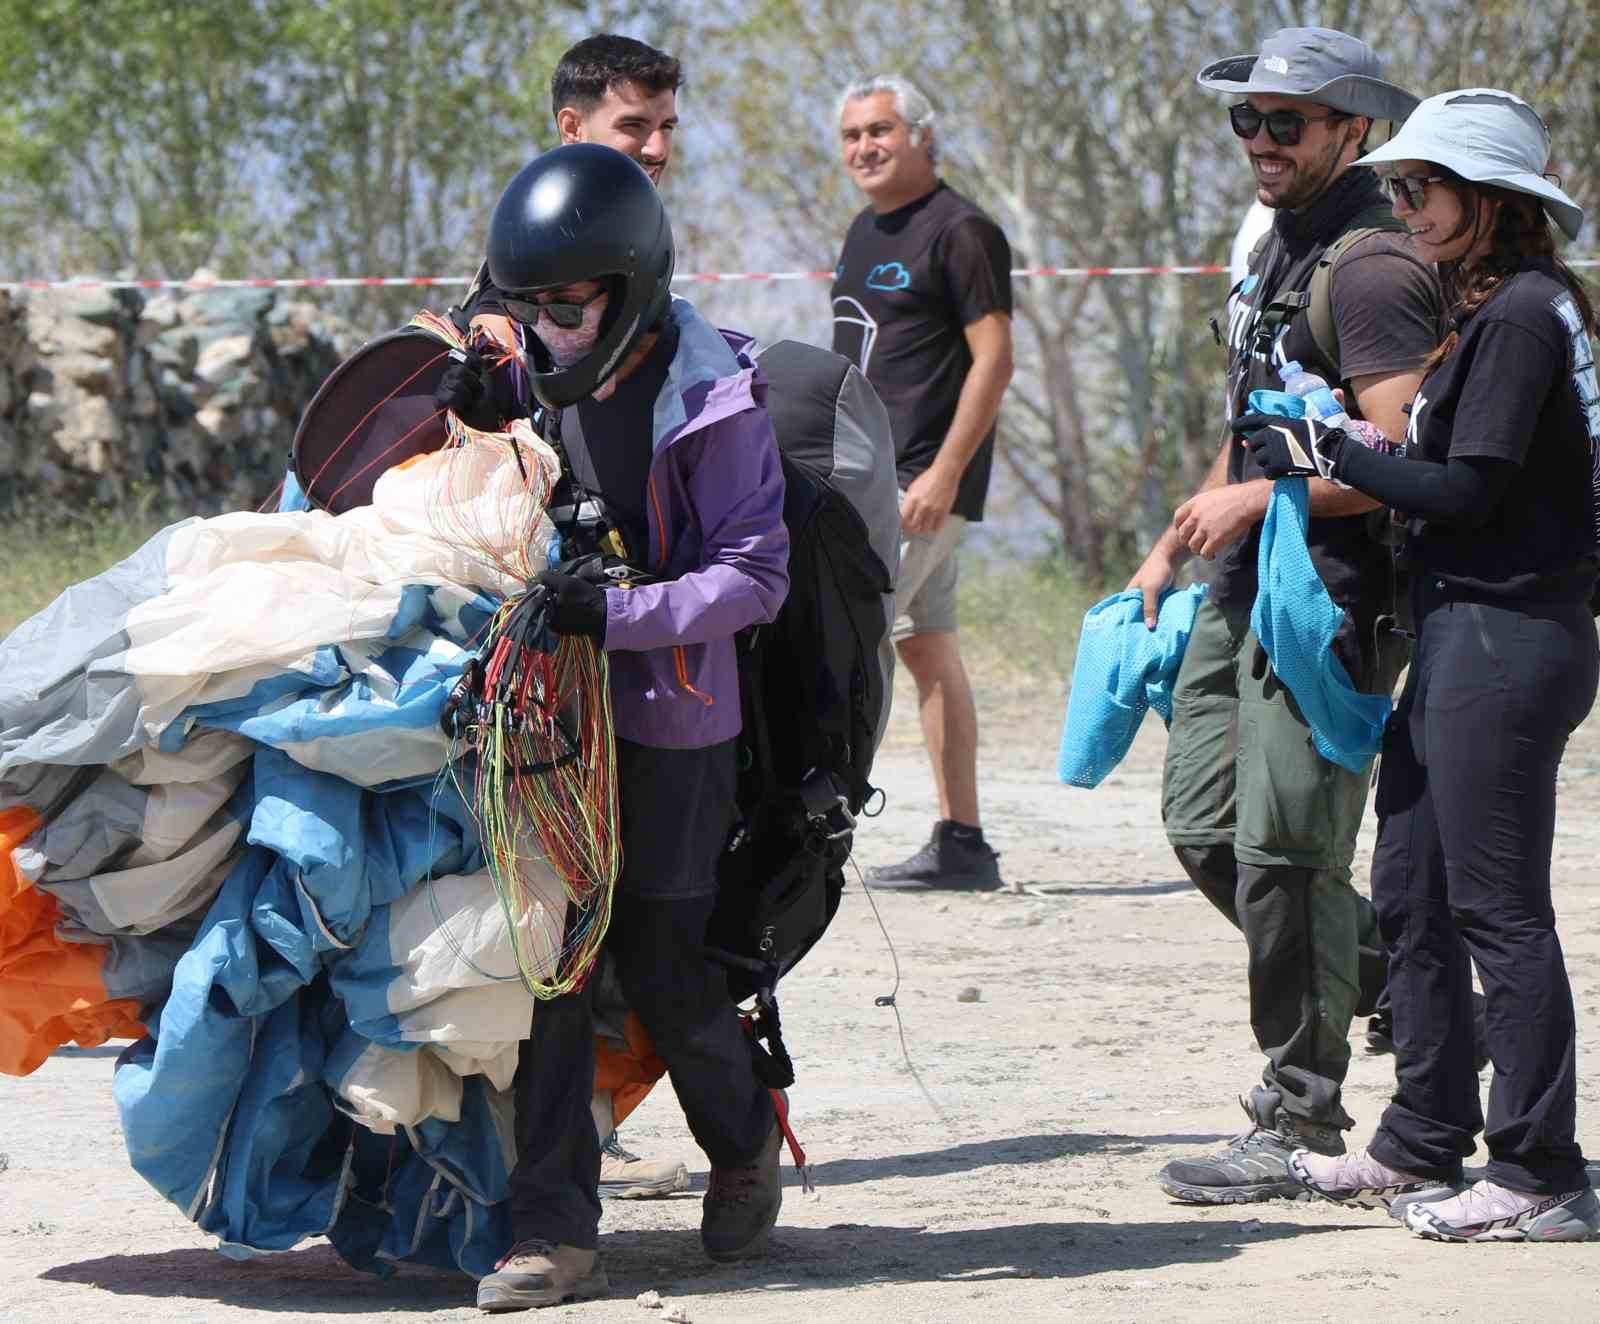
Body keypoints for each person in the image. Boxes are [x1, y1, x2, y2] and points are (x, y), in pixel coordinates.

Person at [1252, 89, 1600, 1243]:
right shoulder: (1492, 309)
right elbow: (1449, 463)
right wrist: (1334, 444)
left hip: (1506, 635)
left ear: (1489, 201)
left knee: (1497, 911)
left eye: (1423, 189)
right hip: (1466, 629)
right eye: (1395, 188)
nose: (1403, 207)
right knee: (1410, 890)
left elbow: (1466, 487)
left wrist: (1330, 452)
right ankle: (1418, 1141)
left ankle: (1542, 1167)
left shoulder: (1522, 315)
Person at [1124, 27, 1445, 1204]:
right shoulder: (1280, 247)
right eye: (1245, 120)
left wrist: (1265, 492)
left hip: (1335, 599)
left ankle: (1299, 1117)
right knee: (1204, 824)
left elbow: (1404, 452)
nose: (1260, 141)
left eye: (1287, 122)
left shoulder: (1370, 268)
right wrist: (1175, 537)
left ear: (1350, 130)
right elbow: (1261, 407)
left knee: (1286, 855)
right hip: (1242, 578)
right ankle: (1410, 992)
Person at [469, 145, 791, 1311]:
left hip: (678, 724)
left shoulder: (716, 400)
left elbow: (754, 577)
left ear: (633, 285)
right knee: (554, 956)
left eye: (569, 307)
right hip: (558, 718)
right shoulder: (539, 375)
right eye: (530, 310)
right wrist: (467, 403)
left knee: (658, 957)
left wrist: (620, 612)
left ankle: (746, 1133)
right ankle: (552, 1232)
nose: (549, 331)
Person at [831, 74, 1014, 892]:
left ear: (922, 137)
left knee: (844, 651)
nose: (865, 147)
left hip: (913, 487)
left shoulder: (963, 230)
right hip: (863, 478)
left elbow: (994, 358)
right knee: (927, 651)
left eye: (881, 130)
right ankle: (962, 842)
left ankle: (817, 827)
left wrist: (943, 473)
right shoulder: (864, 231)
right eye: (851, 135)